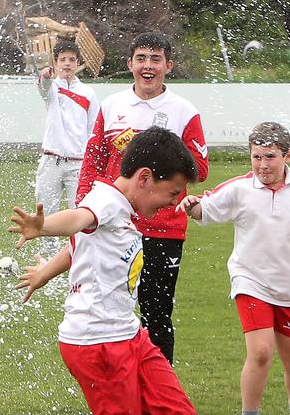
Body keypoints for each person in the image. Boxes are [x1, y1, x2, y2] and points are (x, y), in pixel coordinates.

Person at [6, 126, 199, 415]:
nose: (171, 204)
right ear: (145, 177)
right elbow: (79, 220)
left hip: (129, 335)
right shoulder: (108, 201)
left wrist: (46, 273)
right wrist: (42, 226)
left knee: (177, 414)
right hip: (97, 343)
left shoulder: (122, 207)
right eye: (170, 193)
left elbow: (83, 245)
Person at [177, 122, 290, 415]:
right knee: (261, 351)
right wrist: (192, 205)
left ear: (287, 155)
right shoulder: (240, 189)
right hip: (250, 281)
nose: (262, 165)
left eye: (270, 157)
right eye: (256, 157)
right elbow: (206, 209)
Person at [75, 31, 208, 364]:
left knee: (157, 314)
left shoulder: (183, 111)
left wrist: (158, 148)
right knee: (109, 312)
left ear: (168, 66)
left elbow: (200, 169)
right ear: (129, 64)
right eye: (141, 58)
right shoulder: (112, 105)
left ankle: (160, 397)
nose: (148, 66)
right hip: (115, 225)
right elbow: (94, 159)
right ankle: (119, 384)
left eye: (156, 59)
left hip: (164, 228)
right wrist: (83, 203)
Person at [33, 40, 100, 254]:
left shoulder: (89, 93)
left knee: (79, 214)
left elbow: (94, 131)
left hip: (78, 164)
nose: (67, 64)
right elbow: (43, 85)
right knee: (47, 213)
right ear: (56, 62)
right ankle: (48, 261)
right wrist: (45, 75)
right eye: (63, 59)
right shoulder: (52, 87)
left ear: (78, 63)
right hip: (51, 161)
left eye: (72, 59)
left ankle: (78, 257)